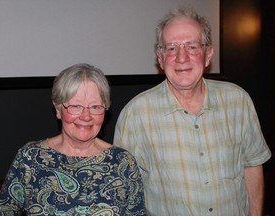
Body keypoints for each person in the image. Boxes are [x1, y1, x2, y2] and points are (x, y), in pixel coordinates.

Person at [113, 8, 271, 216]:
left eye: (192, 46)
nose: (181, 57)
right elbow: (122, 191)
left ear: (208, 55)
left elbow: (252, 165)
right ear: (160, 58)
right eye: (171, 48)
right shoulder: (135, 114)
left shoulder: (238, 101)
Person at [0, 63, 147, 216]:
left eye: (95, 107)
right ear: (58, 109)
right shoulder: (30, 157)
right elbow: (4, 210)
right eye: (76, 106)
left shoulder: (123, 162)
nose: (86, 116)